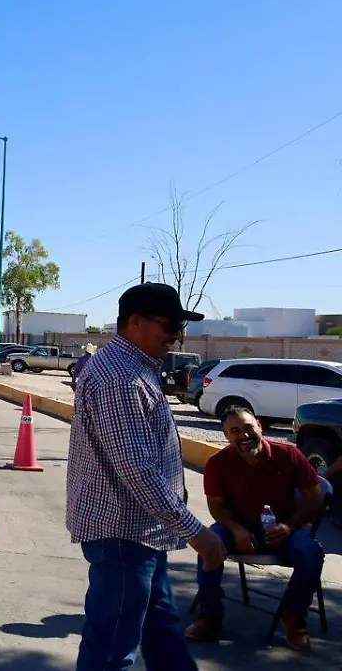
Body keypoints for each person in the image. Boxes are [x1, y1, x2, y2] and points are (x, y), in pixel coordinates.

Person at [66, 282, 226, 671]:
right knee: (111, 651)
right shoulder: (120, 378)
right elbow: (138, 471)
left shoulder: (135, 369)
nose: (177, 335)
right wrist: (196, 531)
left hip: (142, 533)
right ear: (134, 323)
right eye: (169, 324)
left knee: (161, 632)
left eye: (180, 326)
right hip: (123, 537)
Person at [185, 406, 325, 651]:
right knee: (209, 544)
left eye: (248, 428)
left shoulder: (289, 455)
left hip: (283, 529)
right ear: (227, 435)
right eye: (235, 431)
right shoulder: (218, 463)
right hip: (236, 528)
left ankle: (293, 617)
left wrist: (290, 525)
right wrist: (236, 529)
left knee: (311, 553)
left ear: (259, 425)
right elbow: (216, 507)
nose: (244, 435)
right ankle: (210, 615)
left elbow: (314, 496)